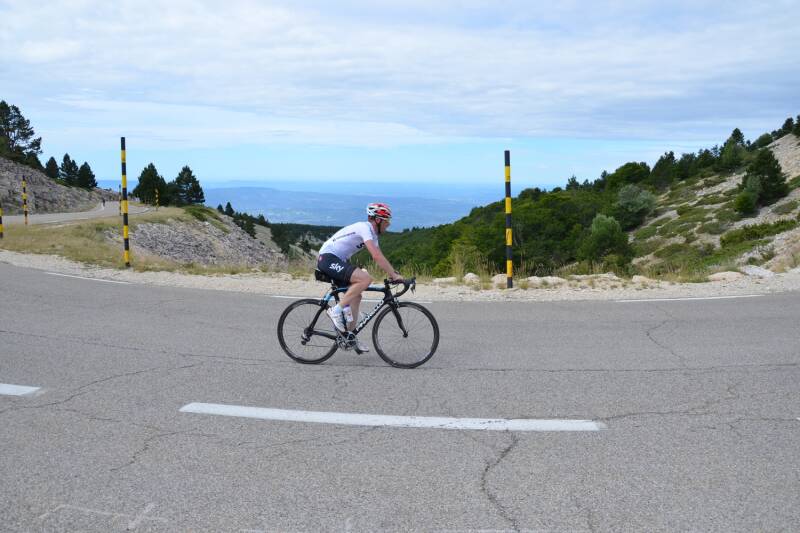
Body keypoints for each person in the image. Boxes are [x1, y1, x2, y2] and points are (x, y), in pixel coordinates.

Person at [316, 202, 403, 352]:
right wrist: (393, 275)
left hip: (338, 260)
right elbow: (375, 256)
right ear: (377, 220)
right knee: (365, 279)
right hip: (327, 258)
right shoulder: (365, 228)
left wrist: (394, 273)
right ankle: (336, 310)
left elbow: (380, 256)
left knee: (356, 296)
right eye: (386, 221)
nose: (388, 225)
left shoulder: (373, 235)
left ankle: (349, 337)